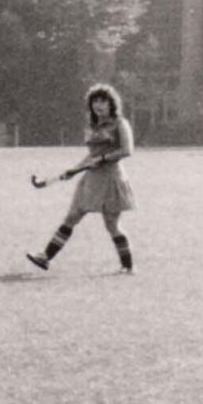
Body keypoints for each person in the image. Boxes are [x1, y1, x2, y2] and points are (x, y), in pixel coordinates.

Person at [26, 83, 137, 274]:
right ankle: (45, 257)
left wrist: (103, 159)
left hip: (111, 179)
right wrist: (75, 169)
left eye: (103, 101)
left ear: (111, 104)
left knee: (112, 225)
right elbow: (91, 155)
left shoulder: (120, 123)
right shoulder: (92, 126)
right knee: (72, 217)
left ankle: (128, 266)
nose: (98, 105)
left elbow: (127, 150)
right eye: (95, 102)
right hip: (91, 179)